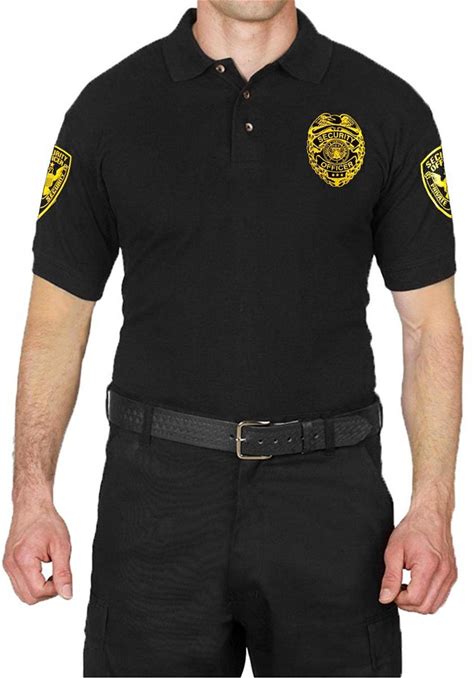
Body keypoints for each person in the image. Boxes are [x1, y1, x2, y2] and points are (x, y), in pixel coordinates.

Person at [3, 1, 462, 676]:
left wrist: (432, 509)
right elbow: (55, 324)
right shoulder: (111, 110)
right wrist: (31, 496)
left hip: (330, 505)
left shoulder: (387, 109)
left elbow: (430, 328)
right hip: (157, 503)